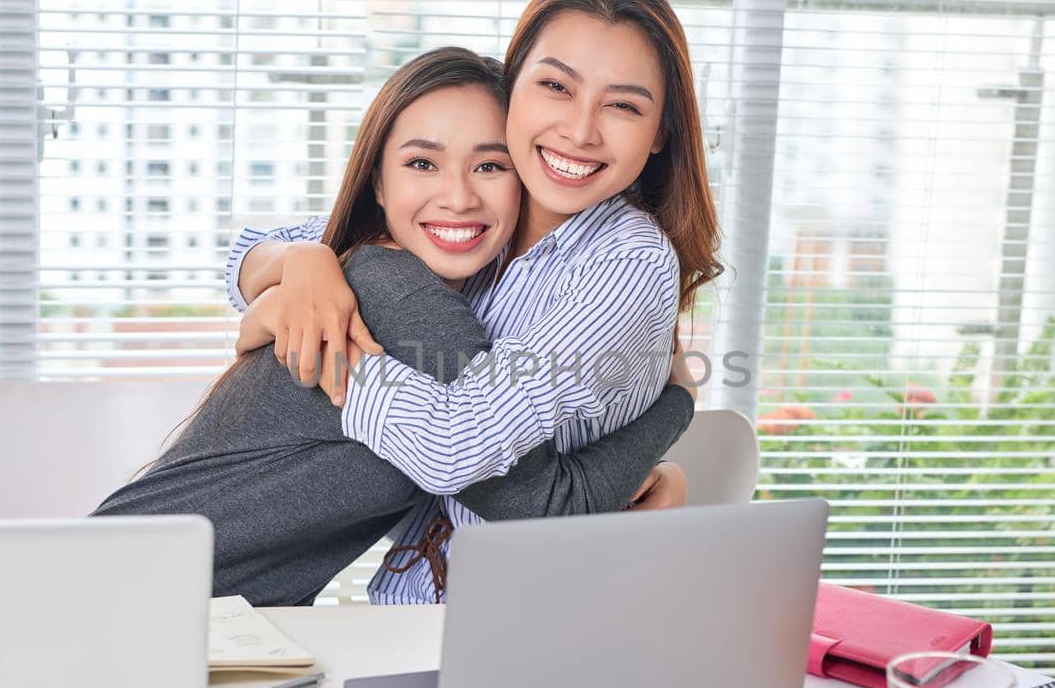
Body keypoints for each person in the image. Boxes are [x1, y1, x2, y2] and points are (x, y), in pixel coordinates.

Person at [95, 48, 694, 606]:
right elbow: (543, 507)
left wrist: (303, 259)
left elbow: (249, 251)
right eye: (421, 163)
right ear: (378, 184)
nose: (457, 197)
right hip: (121, 599)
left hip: (189, 613)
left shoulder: (396, 273)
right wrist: (677, 402)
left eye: (490, 164)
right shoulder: (399, 291)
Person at [227, 0, 723, 604]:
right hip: (408, 612)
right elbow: (244, 255)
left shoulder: (626, 261)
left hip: (533, 625)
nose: (580, 130)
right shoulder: (479, 215)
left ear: (660, 134)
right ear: (512, 90)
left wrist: (320, 344)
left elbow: (454, 448)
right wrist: (303, 263)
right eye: (555, 87)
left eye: (623, 105)